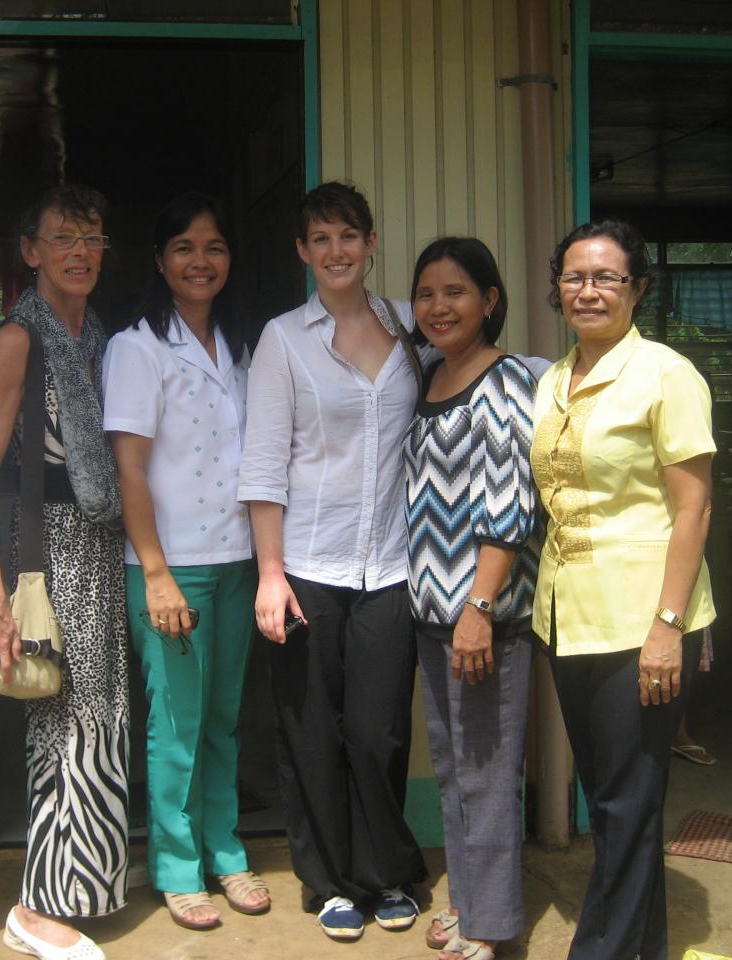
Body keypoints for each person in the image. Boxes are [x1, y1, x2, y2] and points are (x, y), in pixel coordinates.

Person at [238, 181, 427, 942]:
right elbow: (262, 464)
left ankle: (385, 872)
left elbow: (476, 356)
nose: (337, 250)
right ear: (302, 251)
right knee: (311, 730)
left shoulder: (411, 326)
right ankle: (330, 881)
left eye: (349, 235)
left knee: (378, 732)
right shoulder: (284, 339)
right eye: (321, 238)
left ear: (371, 242)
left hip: (390, 565)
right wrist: (270, 573)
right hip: (308, 565)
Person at [530, 219, 716, 960]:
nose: (589, 290)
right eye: (575, 276)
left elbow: (694, 506)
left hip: (643, 617)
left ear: (638, 286)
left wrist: (668, 624)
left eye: (607, 277)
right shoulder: (554, 378)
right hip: (569, 613)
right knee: (615, 806)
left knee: (628, 801)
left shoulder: (666, 374)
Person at [0, 185, 128, 960]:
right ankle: (38, 906)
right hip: (46, 549)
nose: (81, 252)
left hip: (95, 541)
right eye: (64, 238)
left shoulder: (97, 333)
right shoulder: (19, 340)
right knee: (58, 719)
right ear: (31, 252)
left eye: (92, 238)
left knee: (96, 716)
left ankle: (82, 887)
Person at [103, 192, 268, 931]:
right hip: (170, 566)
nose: (200, 261)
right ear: (160, 260)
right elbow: (128, 471)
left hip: (235, 558)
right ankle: (176, 865)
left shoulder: (238, 345)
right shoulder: (138, 348)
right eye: (183, 247)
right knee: (177, 720)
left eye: (214, 247)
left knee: (224, 719)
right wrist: (158, 571)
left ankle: (224, 850)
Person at [402, 238, 540, 960]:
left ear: (489, 300)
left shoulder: (506, 380)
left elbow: (511, 506)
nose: (438, 307)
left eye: (456, 292)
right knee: (457, 767)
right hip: (434, 614)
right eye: (426, 294)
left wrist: (479, 609)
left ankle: (491, 925)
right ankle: (468, 899)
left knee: (487, 770)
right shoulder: (429, 371)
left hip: (483, 617)